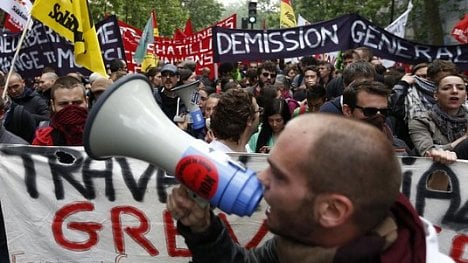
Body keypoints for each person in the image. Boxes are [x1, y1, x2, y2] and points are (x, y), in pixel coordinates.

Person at [167, 114, 453, 263]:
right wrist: (203, 231)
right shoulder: (307, 241)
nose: (261, 180)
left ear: (332, 210)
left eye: (278, 176)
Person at [342, 80, 411, 155]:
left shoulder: (400, 148)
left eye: (383, 111)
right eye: (370, 111)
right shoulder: (331, 148)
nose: (378, 116)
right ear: (347, 111)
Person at [409, 73, 467, 161]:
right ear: (436, 95)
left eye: (460, 88)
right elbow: (427, 153)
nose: (455, 91)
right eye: (446, 88)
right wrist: (464, 138)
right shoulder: (421, 120)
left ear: (466, 95)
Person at [32, 76, 89, 146]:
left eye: (77, 103)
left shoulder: (101, 133)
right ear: (53, 105)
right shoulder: (43, 140)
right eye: (64, 104)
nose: (71, 108)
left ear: (86, 101)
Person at [209, 88, 261, 152]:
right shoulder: (215, 156)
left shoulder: (245, 149)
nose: (259, 115)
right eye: (258, 110)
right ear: (249, 120)